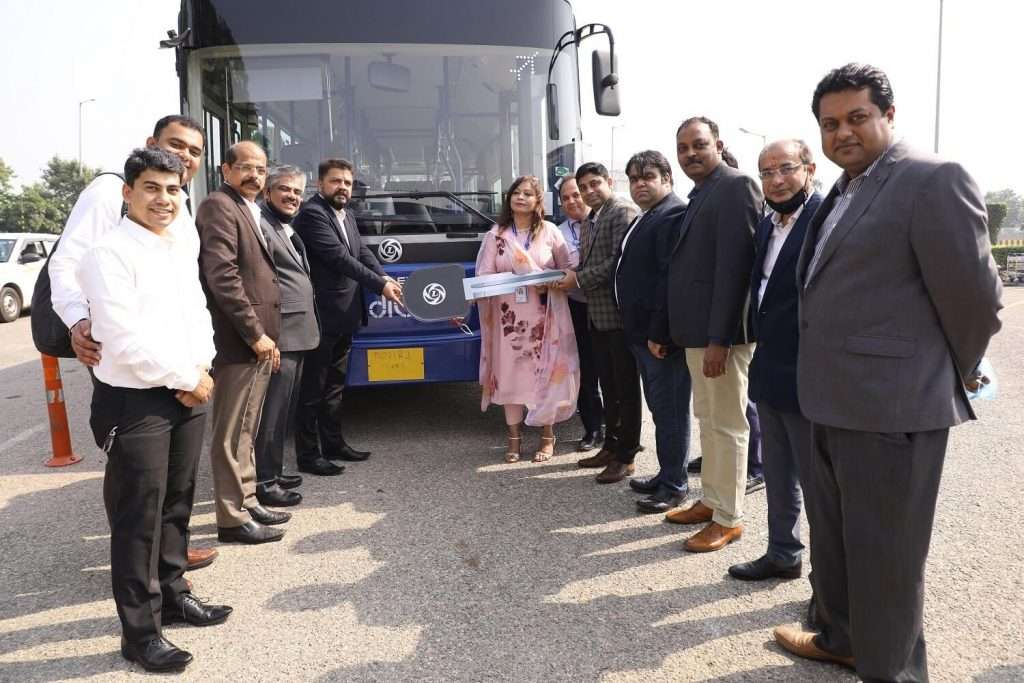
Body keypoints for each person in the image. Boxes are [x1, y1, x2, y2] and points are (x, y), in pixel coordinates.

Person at [773, 64, 1002, 682]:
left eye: (856, 118)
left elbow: (975, 301)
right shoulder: (844, 190)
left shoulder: (932, 180)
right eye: (829, 123)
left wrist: (942, 372)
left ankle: (895, 673)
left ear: (889, 116)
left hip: (891, 411)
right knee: (840, 547)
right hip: (828, 401)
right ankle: (843, 638)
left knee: (886, 562)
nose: (842, 132)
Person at [78, 148, 231, 672]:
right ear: (128, 193)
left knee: (177, 503)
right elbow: (122, 337)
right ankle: (140, 633)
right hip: (138, 398)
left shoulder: (175, 245)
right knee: (138, 516)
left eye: (172, 190)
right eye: (151, 188)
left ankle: (173, 594)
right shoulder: (106, 254)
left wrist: (203, 368)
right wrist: (188, 378)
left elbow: (197, 315)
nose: (164, 199)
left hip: (188, 390)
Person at [49, 114, 217, 573]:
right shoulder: (109, 196)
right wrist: (78, 321)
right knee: (139, 492)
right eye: (175, 145)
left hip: (182, 369)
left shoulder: (177, 212)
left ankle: (169, 573)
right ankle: (141, 587)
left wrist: (199, 370)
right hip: (130, 365)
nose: (184, 156)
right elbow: (68, 265)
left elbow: (192, 303)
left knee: (175, 489)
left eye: (194, 152)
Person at [652, 116, 761, 553]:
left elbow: (736, 270)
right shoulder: (703, 193)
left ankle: (729, 518)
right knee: (710, 422)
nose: (690, 154)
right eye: (683, 148)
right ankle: (713, 502)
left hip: (722, 338)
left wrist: (721, 339)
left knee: (729, 426)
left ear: (718, 144)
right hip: (698, 335)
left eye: (699, 145)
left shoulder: (736, 186)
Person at [727, 139, 823, 583]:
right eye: (766, 173)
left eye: (786, 168)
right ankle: (783, 552)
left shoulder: (825, 220)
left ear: (809, 168)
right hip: (769, 366)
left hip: (811, 373)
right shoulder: (768, 225)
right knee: (780, 474)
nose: (776, 180)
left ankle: (830, 584)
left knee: (820, 483)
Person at [196, 141, 290, 544]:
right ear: (226, 169)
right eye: (246, 168)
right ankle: (231, 519)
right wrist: (255, 333)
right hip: (239, 340)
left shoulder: (247, 207)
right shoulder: (219, 206)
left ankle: (247, 500)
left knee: (247, 428)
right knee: (231, 432)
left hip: (260, 339)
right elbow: (223, 277)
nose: (255, 176)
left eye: (261, 170)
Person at [292, 158, 402, 475]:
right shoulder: (313, 214)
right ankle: (309, 455)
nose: (343, 187)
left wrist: (385, 277)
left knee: (335, 386)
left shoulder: (346, 213)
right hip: (321, 317)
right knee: (313, 389)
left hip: (344, 315)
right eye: (336, 181)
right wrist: (379, 284)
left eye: (347, 183)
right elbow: (339, 258)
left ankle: (334, 443)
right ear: (319, 184)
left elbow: (361, 252)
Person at [476, 175, 579, 462]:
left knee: (545, 375)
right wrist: (511, 278)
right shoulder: (495, 235)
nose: (520, 197)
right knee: (511, 379)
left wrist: (551, 281)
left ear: (537, 202)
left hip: (544, 318)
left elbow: (568, 270)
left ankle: (548, 437)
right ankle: (514, 439)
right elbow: (483, 276)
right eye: (516, 193)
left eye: (527, 194)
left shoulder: (549, 232)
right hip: (508, 322)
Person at [613, 150, 692, 513]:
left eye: (647, 177)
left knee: (672, 411)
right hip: (641, 335)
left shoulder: (673, 214)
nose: (639, 184)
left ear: (667, 179)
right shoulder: (647, 217)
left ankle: (675, 485)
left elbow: (670, 282)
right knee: (661, 411)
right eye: (633, 178)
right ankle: (666, 472)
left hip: (660, 340)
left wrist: (662, 334)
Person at [556, 162, 642, 484]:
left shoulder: (621, 211)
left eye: (595, 184)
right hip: (597, 316)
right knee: (609, 385)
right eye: (584, 187)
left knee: (626, 388)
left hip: (619, 316)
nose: (590, 191)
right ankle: (611, 445)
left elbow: (618, 261)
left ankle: (627, 455)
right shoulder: (593, 217)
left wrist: (577, 278)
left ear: (608, 181)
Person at [252, 165, 320, 507]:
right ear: (268, 192)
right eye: (285, 190)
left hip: (298, 332)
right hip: (281, 333)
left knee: (283, 410)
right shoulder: (262, 226)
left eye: (298, 192)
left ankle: (274, 470)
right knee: (272, 412)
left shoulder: (283, 226)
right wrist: (268, 335)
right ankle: (264, 482)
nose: (293, 196)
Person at [556, 177, 604, 451]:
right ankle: (592, 428)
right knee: (585, 370)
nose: (573, 201)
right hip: (576, 307)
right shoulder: (558, 232)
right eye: (566, 198)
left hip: (608, 306)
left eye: (577, 194)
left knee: (613, 369)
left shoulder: (605, 221)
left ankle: (619, 429)